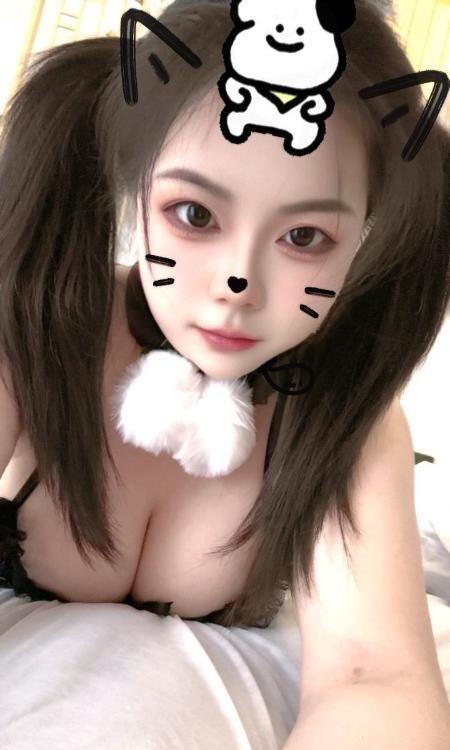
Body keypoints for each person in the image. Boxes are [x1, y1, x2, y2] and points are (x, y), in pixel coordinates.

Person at [0, 0, 448, 638]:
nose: (238, 285)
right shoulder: (37, 324)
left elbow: (371, 670)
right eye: (195, 215)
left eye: (304, 236)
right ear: (134, 187)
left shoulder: (350, 413)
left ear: (364, 236)